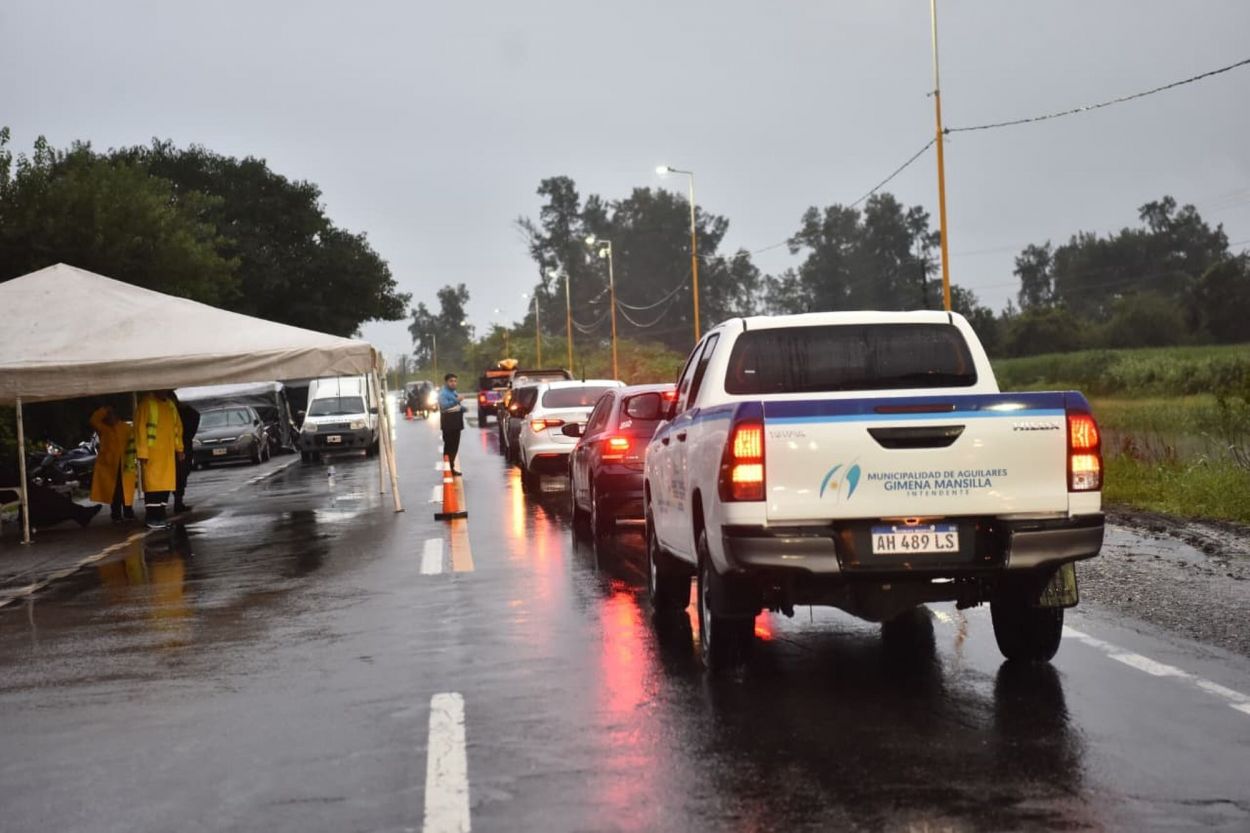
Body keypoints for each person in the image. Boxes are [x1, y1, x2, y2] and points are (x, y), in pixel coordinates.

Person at [135, 390, 184, 529]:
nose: (164, 392)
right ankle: (152, 517)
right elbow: (140, 429)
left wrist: (179, 448)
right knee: (153, 486)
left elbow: (177, 428)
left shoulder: (170, 405)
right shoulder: (147, 404)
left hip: (167, 454)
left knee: (165, 486)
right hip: (153, 454)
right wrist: (143, 452)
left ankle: (160, 516)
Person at [89, 405, 137, 523]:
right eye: (107, 416)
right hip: (110, 466)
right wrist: (104, 410)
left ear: (116, 416)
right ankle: (116, 515)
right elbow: (93, 420)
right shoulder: (103, 428)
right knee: (114, 492)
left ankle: (128, 512)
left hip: (125, 464)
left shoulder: (126, 428)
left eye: (111, 415)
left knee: (126, 491)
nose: (109, 418)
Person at [170, 392, 200, 514]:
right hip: (172, 448)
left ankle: (178, 501)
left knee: (181, 475)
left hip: (182, 447)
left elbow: (195, 415)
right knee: (178, 476)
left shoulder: (183, 412)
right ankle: (177, 502)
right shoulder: (170, 411)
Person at [437, 373, 465, 476]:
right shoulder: (443, 394)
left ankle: (451, 467)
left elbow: (457, 406)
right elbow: (444, 406)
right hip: (449, 423)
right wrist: (457, 400)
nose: (453, 383)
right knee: (449, 446)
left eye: (455, 381)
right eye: (451, 381)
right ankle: (448, 468)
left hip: (456, 423)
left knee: (455, 446)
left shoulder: (454, 392)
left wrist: (463, 409)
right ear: (446, 382)